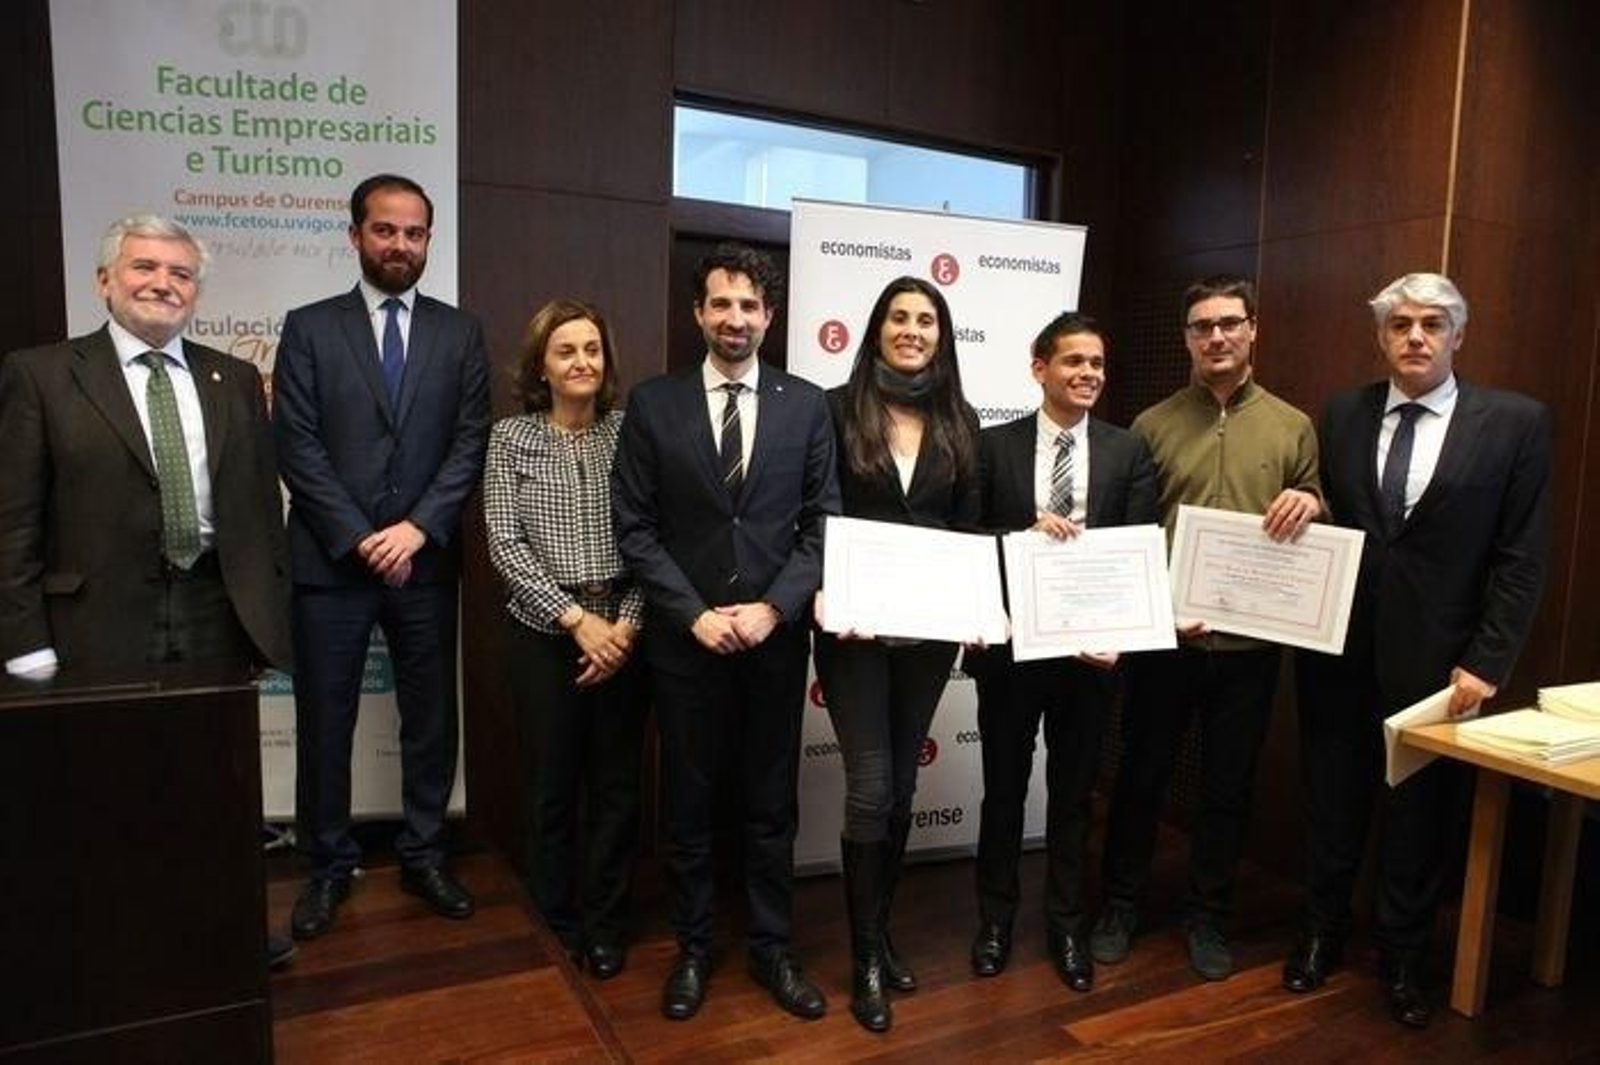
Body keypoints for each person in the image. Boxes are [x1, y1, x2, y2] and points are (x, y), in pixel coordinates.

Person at [0, 212, 295, 963]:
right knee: (102, 785)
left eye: (180, 273)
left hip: (211, 608)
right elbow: (13, 522)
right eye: (144, 268)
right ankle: (115, 943)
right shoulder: (42, 374)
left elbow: (261, 508)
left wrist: (265, 616)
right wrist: (24, 639)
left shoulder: (232, 379)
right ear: (106, 281)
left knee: (214, 785)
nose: (163, 283)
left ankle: (221, 926)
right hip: (93, 620)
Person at [1285, 273, 1550, 1028]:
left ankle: (1404, 956)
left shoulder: (1515, 424)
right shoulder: (1340, 414)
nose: (1416, 337)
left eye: (1433, 324)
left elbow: (1522, 556)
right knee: (1333, 800)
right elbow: (1336, 519)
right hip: (1336, 651)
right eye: (1400, 324)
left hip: (1442, 665)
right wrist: (1315, 505)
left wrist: (1489, 660)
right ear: (1381, 336)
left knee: (1421, 815)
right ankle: (1321, 934)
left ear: (1458, 335)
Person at [612, 243, 840, 1022]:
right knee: (689, 801)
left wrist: (774, 607)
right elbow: (635, 528)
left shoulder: (808, 405)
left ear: (769, 316)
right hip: (688, 645)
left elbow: (822, 524)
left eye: (749, 306)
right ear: (698, 312)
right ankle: (694, 947)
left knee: (772, 803)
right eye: (721, 304)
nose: (735, 318)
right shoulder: (654, 403)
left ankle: (773, 947)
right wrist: (695, 613)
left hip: (775, 643)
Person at [274, 173, 490, 940]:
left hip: (425, 564)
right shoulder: (309, 326)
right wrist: (362, 534)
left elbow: (470, 443)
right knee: (323, 721)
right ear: (356, 234)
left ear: (429, 240)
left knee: (430, 720)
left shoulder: (460, 333)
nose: (401, 244)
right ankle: (327, 865)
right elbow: (295, 442)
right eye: (386, 230)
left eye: (415, 233)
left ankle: (425, 852)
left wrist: (417, 528)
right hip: (331, 564)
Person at [1091, 276, 1322, 981]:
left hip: (1250, 646)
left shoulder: (1293, 425)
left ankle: (1208, 915)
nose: (1215, 336)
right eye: (1201, 326)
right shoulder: (1151, 424)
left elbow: (1316, 506)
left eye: (1228, 322)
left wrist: (1310, 500)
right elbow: (1127, 532)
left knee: (1229, 784)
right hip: (1167, 639)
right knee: (1141, 775)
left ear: (1254, 328)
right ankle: (1121, 904)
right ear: (1186, 337)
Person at [965, 312, 1157, 994]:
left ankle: (1068, 926)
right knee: (1004, 792)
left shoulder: (1127, 450)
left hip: (1089, 659)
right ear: (1038, 366)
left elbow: (1137, 550)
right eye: (1073, 361)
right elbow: (969, 536)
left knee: (1075, 796)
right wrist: (1023, 532)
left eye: (1097, 364)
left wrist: (1120, 640)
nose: (1087, 374)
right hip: (1014, 651)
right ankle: (994, 921)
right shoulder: (993, 447)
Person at [810, 276, 980, 1031]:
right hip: (853, 633)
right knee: (872, 788)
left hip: (927, 633)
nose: (912, 329)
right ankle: (864, 962)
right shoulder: (834, 410)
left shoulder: (960, 419)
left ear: (941, 335)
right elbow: (814, 512)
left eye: (926, 319)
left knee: (904, 792)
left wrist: (979, 604)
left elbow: (969, 530)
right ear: (875, 327)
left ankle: (880, 931)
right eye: (899, 317)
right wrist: (826, 589)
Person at [483, 299, 646, 980]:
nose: (582, 361)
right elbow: (504, 542)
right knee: (551, 788)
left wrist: (626, 625)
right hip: (543, 635)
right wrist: (576, 621)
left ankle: (607, 924)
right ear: (541, 366)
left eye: (592, 349)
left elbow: (651, 537)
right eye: (565, 350)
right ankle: (556, 919)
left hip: (626, 636)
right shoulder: (510, 438)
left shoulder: (629, 433)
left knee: (616, 789)